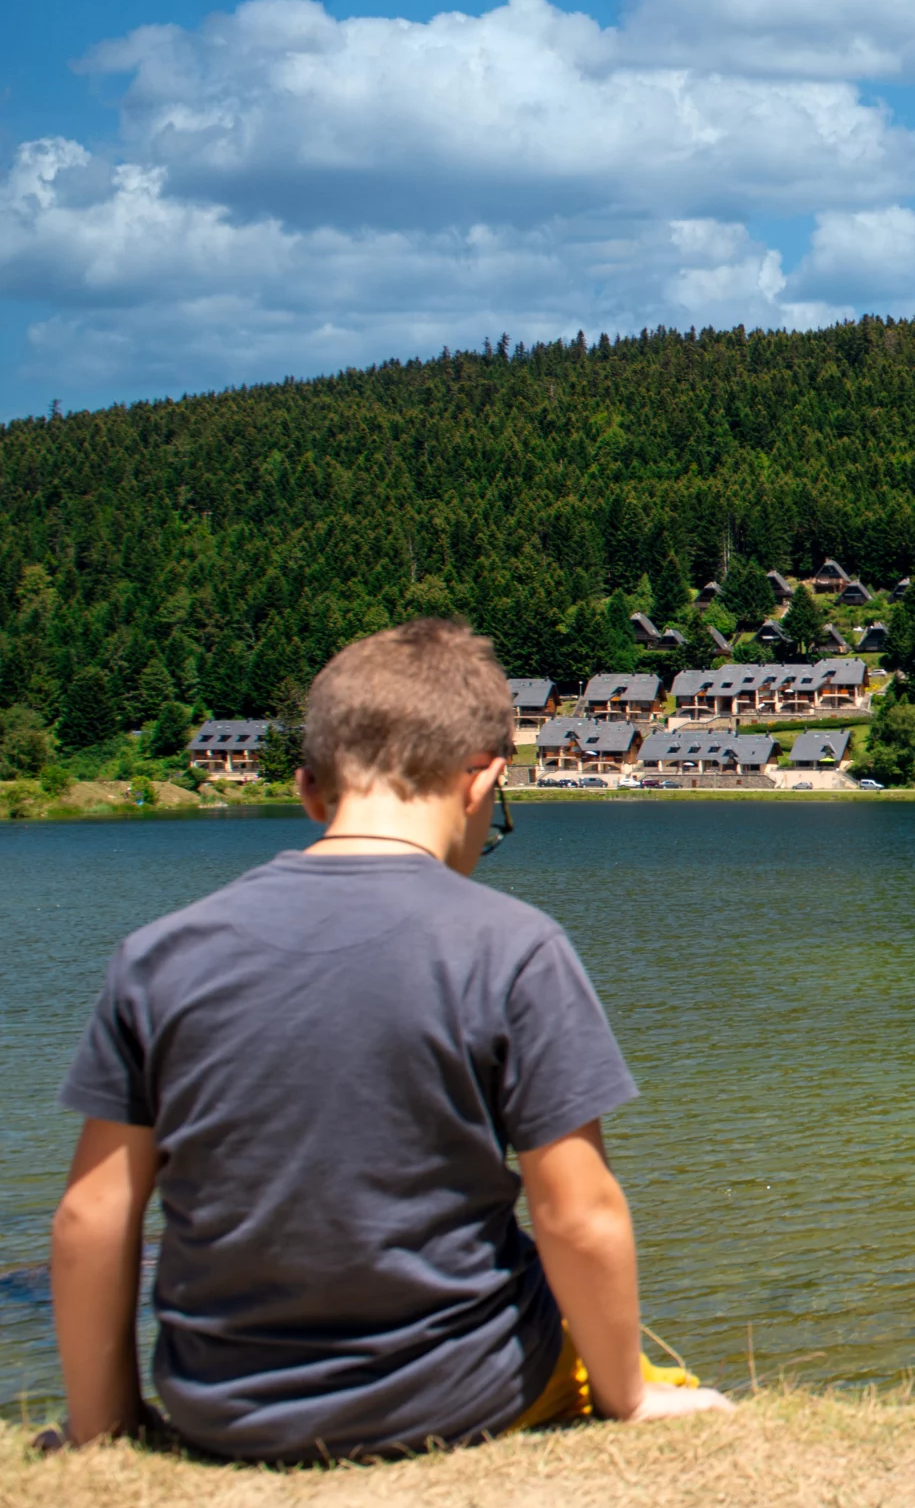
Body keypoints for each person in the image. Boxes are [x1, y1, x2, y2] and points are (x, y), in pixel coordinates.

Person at [49, 619, 731, 1460]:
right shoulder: (514, 948)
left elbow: (91, 1215)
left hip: (223, 1410)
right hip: (470, 1393)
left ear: (309, 791)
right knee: (668, 1387)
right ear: (484, 783)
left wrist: (105, 1426)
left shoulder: (156, 957)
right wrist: (627, 1396)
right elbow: (577, 1212)